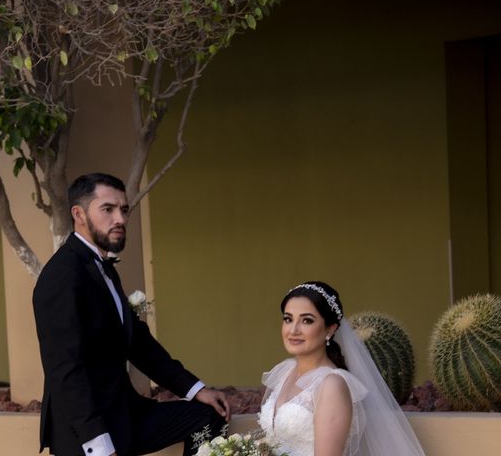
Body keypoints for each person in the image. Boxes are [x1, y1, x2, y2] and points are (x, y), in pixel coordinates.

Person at [33, 173, 229, 456]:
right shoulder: (62, 275)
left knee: (207, 418)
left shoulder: (104, 269)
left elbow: (138, 343)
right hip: (86, 432)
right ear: (79, 214)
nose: (121, 219)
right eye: (108, 209)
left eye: (123, 210)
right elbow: (65, 370)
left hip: (125, 413)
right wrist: (97, 445)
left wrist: (195, 389)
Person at [258, 281, 425, 456]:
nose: (293, 330)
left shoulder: (331, 385)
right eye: (288, 319)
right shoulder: (285, 373)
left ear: (330, 329)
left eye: (307, 320)